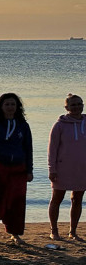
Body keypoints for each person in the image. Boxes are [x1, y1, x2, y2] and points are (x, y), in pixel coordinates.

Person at [0, 93, 33, 245]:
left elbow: (28, 149)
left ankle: (14, 233)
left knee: (16, 201)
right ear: (1, 107)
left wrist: (29, 170)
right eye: (7, 104)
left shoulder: (23, 125)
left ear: (17, 107)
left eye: (13, 104)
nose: (10, 107)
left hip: (18, 169)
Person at [47, 93, 86, 241]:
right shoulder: (60, 125)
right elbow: (52, 149)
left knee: (77, 199)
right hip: (63, 168)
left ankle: (73, 231)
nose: (76, 107)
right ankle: (54, 231)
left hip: (82, 168)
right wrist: (52, 169)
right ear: (67, 107)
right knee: (57, 198)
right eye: (73, 105)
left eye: (79, 104)